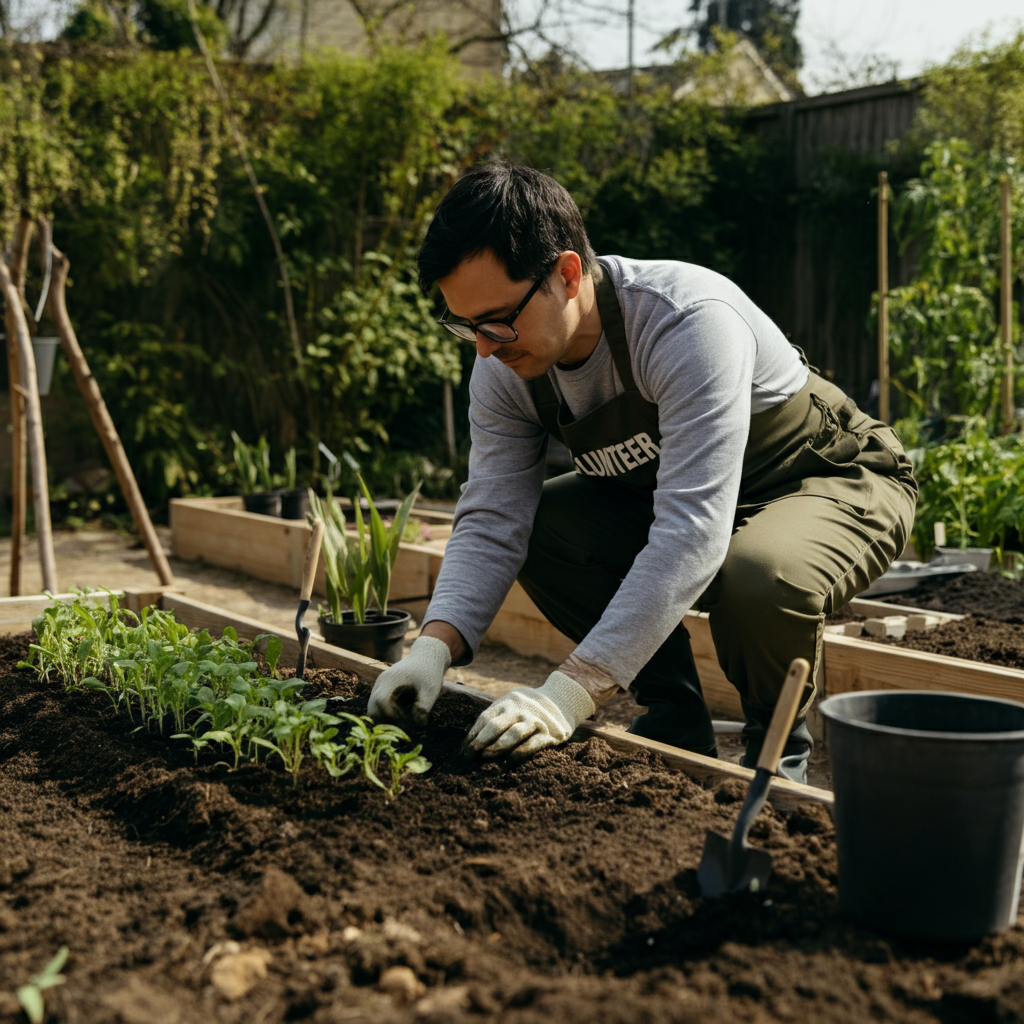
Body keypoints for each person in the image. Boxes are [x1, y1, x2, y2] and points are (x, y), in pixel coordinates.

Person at [367, 162, 917, 784]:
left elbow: (691, 531)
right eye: (464, 324)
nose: (484, 346)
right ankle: (677, 721)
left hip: (826, 478)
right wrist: (433, 649)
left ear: (567, 274)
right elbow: (493, 514)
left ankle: (774, 765)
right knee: (543, 528)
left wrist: (569, 691)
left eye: (495, 319)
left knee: (759, 576)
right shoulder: (502, 365)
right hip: (684, 500)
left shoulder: (685, 322)